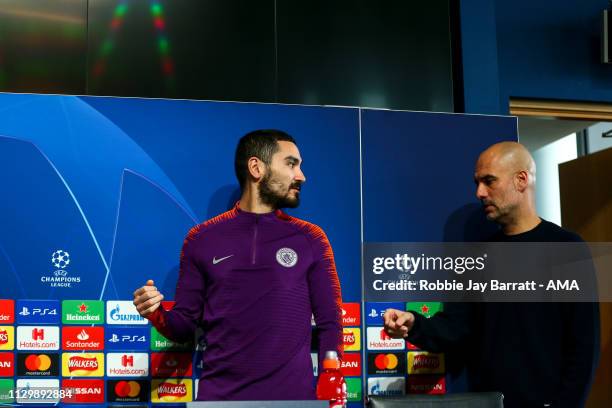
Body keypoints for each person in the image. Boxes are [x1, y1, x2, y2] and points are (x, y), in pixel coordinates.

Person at [384, 142, 600, 408]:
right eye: (477, 183)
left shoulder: (567, 248)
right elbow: (455, 329)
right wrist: (413, 324)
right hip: (487, 403)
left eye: (489, 181)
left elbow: (584, 347)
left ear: (521, 180)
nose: (480, 192)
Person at [133, 129, 343, 400]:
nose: (301, 175)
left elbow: (330, 321)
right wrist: (155, 313)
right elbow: (183, 326)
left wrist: (332, 379)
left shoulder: (312, 238)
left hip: (293, 400)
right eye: (291, 164)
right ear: (256, 167)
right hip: (220, 401)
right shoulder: (201, 239)